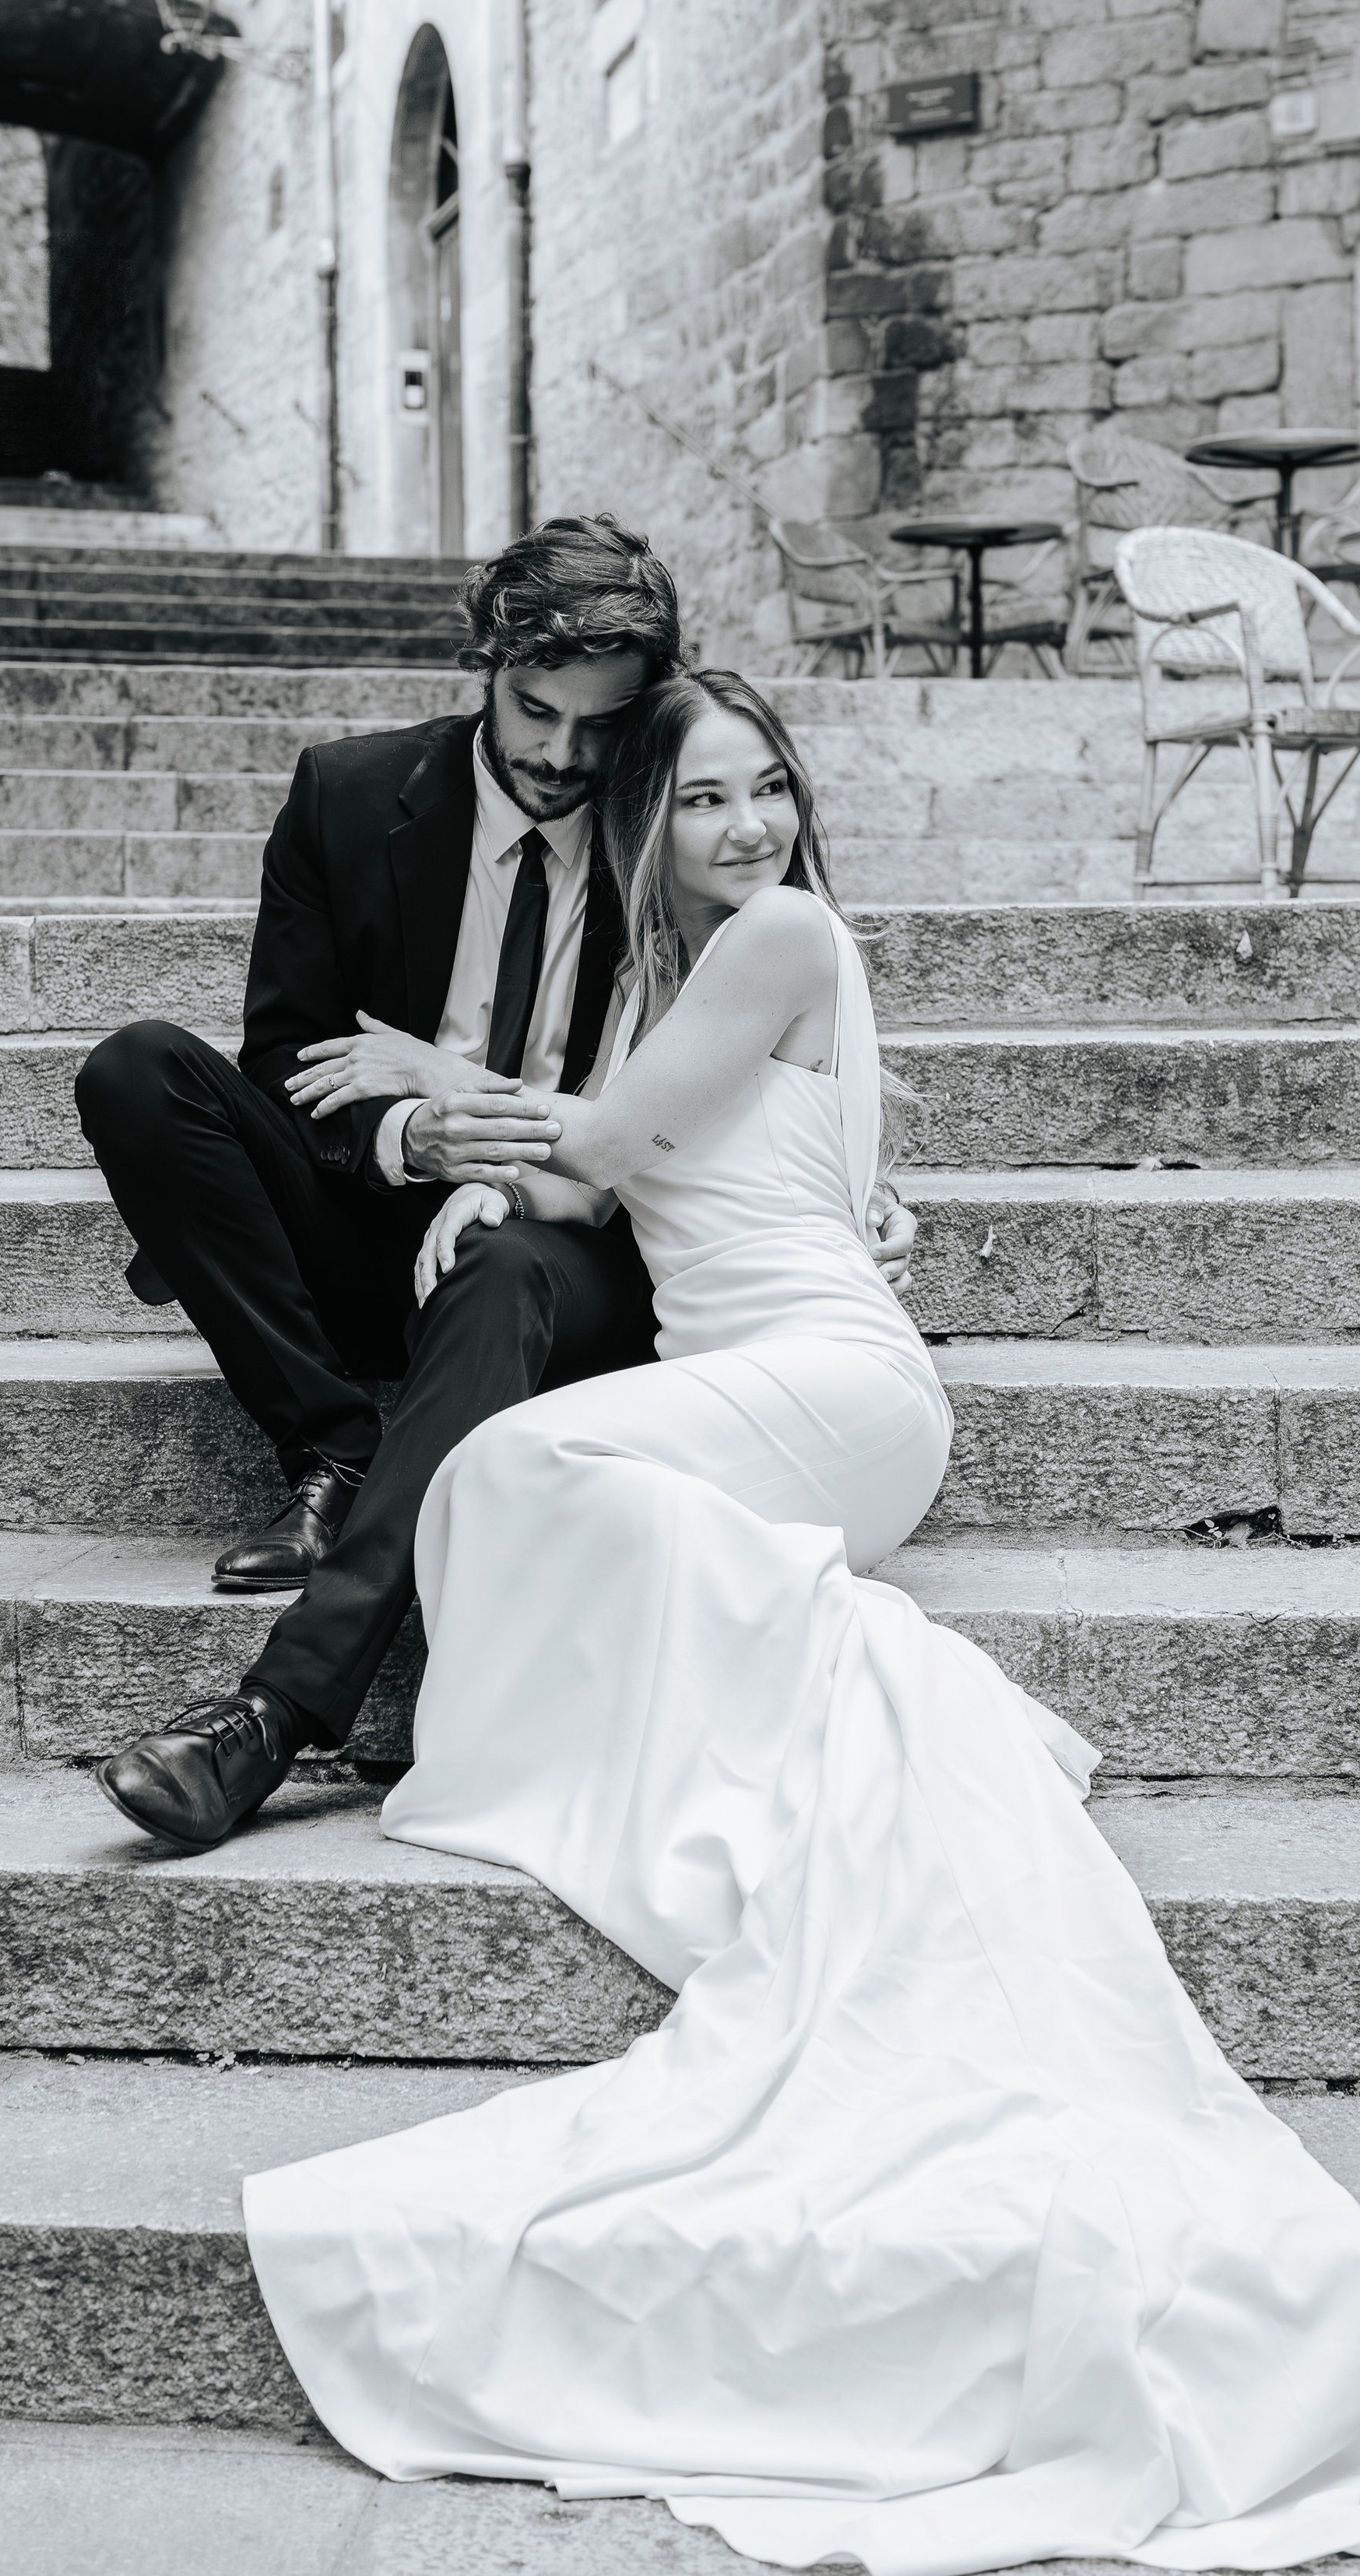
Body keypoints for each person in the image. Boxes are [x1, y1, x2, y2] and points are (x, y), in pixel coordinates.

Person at [241, 668, 1360, 2576]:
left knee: (515, 1473)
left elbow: (608, 1148)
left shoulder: (778, 936)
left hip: (833, 1386)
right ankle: (725, 1735)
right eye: (704, 798)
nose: (748, 827)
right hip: (751, 1382)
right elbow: (608, 1166)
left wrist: (426, 1090)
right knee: (522, 1482)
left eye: (765, 787)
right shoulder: (675, 980)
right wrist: (495, 1196)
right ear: (647, 819)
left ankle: (599, 1765)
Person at [76, 517, 919, 1849]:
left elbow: (684, 1109)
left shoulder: (668, 854)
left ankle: (276, 1713)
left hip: (555, 1254)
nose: (563, 754)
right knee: (138, 1072)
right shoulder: (348, 797)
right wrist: (417, 1135)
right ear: (487, 668)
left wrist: (846, 1186)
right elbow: (287, 1060)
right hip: (379, 1217)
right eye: (536, 710)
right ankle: (335, 1449)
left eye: (603, 726)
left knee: (505, 1258)